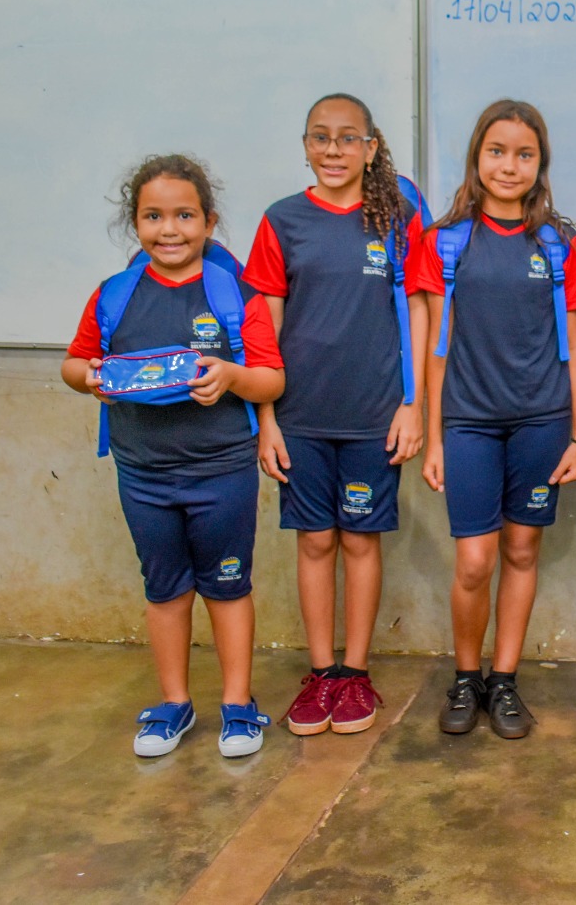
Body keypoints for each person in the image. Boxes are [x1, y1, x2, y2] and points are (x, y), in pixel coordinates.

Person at [62, 155, 285, 758]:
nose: (169, 230)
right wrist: (91, 378)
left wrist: (231, 376)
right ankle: (174, 704)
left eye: (185, 216)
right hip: (142, 473)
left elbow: (272, 378)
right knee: (164, 589)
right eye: (153, 216)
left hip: (223, 470)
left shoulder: (235, 295)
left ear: (209, 222)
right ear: (135, 223)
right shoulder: (113, 296)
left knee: (229, 587)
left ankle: (238, 705)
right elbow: (74, 363)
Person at [244, 93, 428, 736]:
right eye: (320, 137)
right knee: (316, 541)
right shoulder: (282, 220)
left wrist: (412, 404)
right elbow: (263, 329)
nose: (333, 149)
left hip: (374, 416)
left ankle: (354, 674)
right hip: (300, 418)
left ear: (371, 148)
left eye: (348, 138)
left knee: (359, 540)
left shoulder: (398, 219)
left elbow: (420, 314)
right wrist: (266, 420)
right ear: (305, 146)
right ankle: (321, 672)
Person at [415, 101, 576, 739]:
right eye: (497, 151)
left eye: (524, 154)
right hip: (468, 422)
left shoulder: (560, 244)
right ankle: (467, 678)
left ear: (540, 164)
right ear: (477, 156)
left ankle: (506, 680)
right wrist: (434, 438)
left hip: (542, 421)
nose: (509, 166)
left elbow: (575, 342)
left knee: (521, 549)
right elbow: (436, 347)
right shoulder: (445, 241)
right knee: (474, 560)